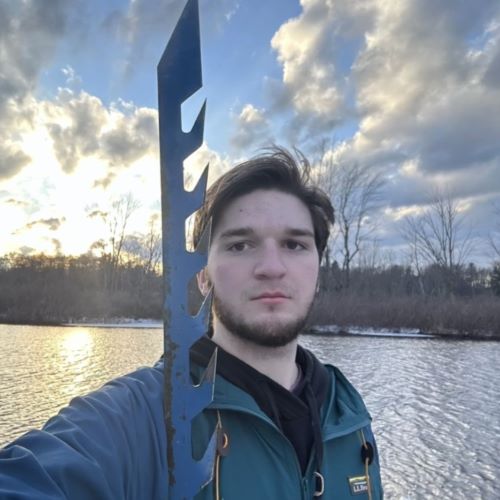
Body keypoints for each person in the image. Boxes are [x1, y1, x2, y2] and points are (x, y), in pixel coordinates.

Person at [0, 147, 383, 499]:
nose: (271, 268)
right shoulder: (147, 417)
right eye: (240, 245)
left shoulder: (348, 415)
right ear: (202, 274)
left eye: (294, 244)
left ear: (318, 268)